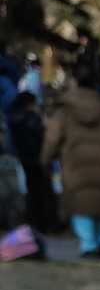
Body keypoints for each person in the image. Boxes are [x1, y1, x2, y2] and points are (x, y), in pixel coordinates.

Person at [41, 62, 100, 259]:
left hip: (74, 167)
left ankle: (89, 245)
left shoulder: (63, 111)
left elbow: (52, 140)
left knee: (81, 206)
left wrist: (45, 159)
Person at [8, 91, 51, 232]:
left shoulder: (13, 117)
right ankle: (43, 222)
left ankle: (31, 221)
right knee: (40, 191)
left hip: (23, 158)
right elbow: (41, 135)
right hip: (37, 158)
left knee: (29, 191)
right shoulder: (33, 118)